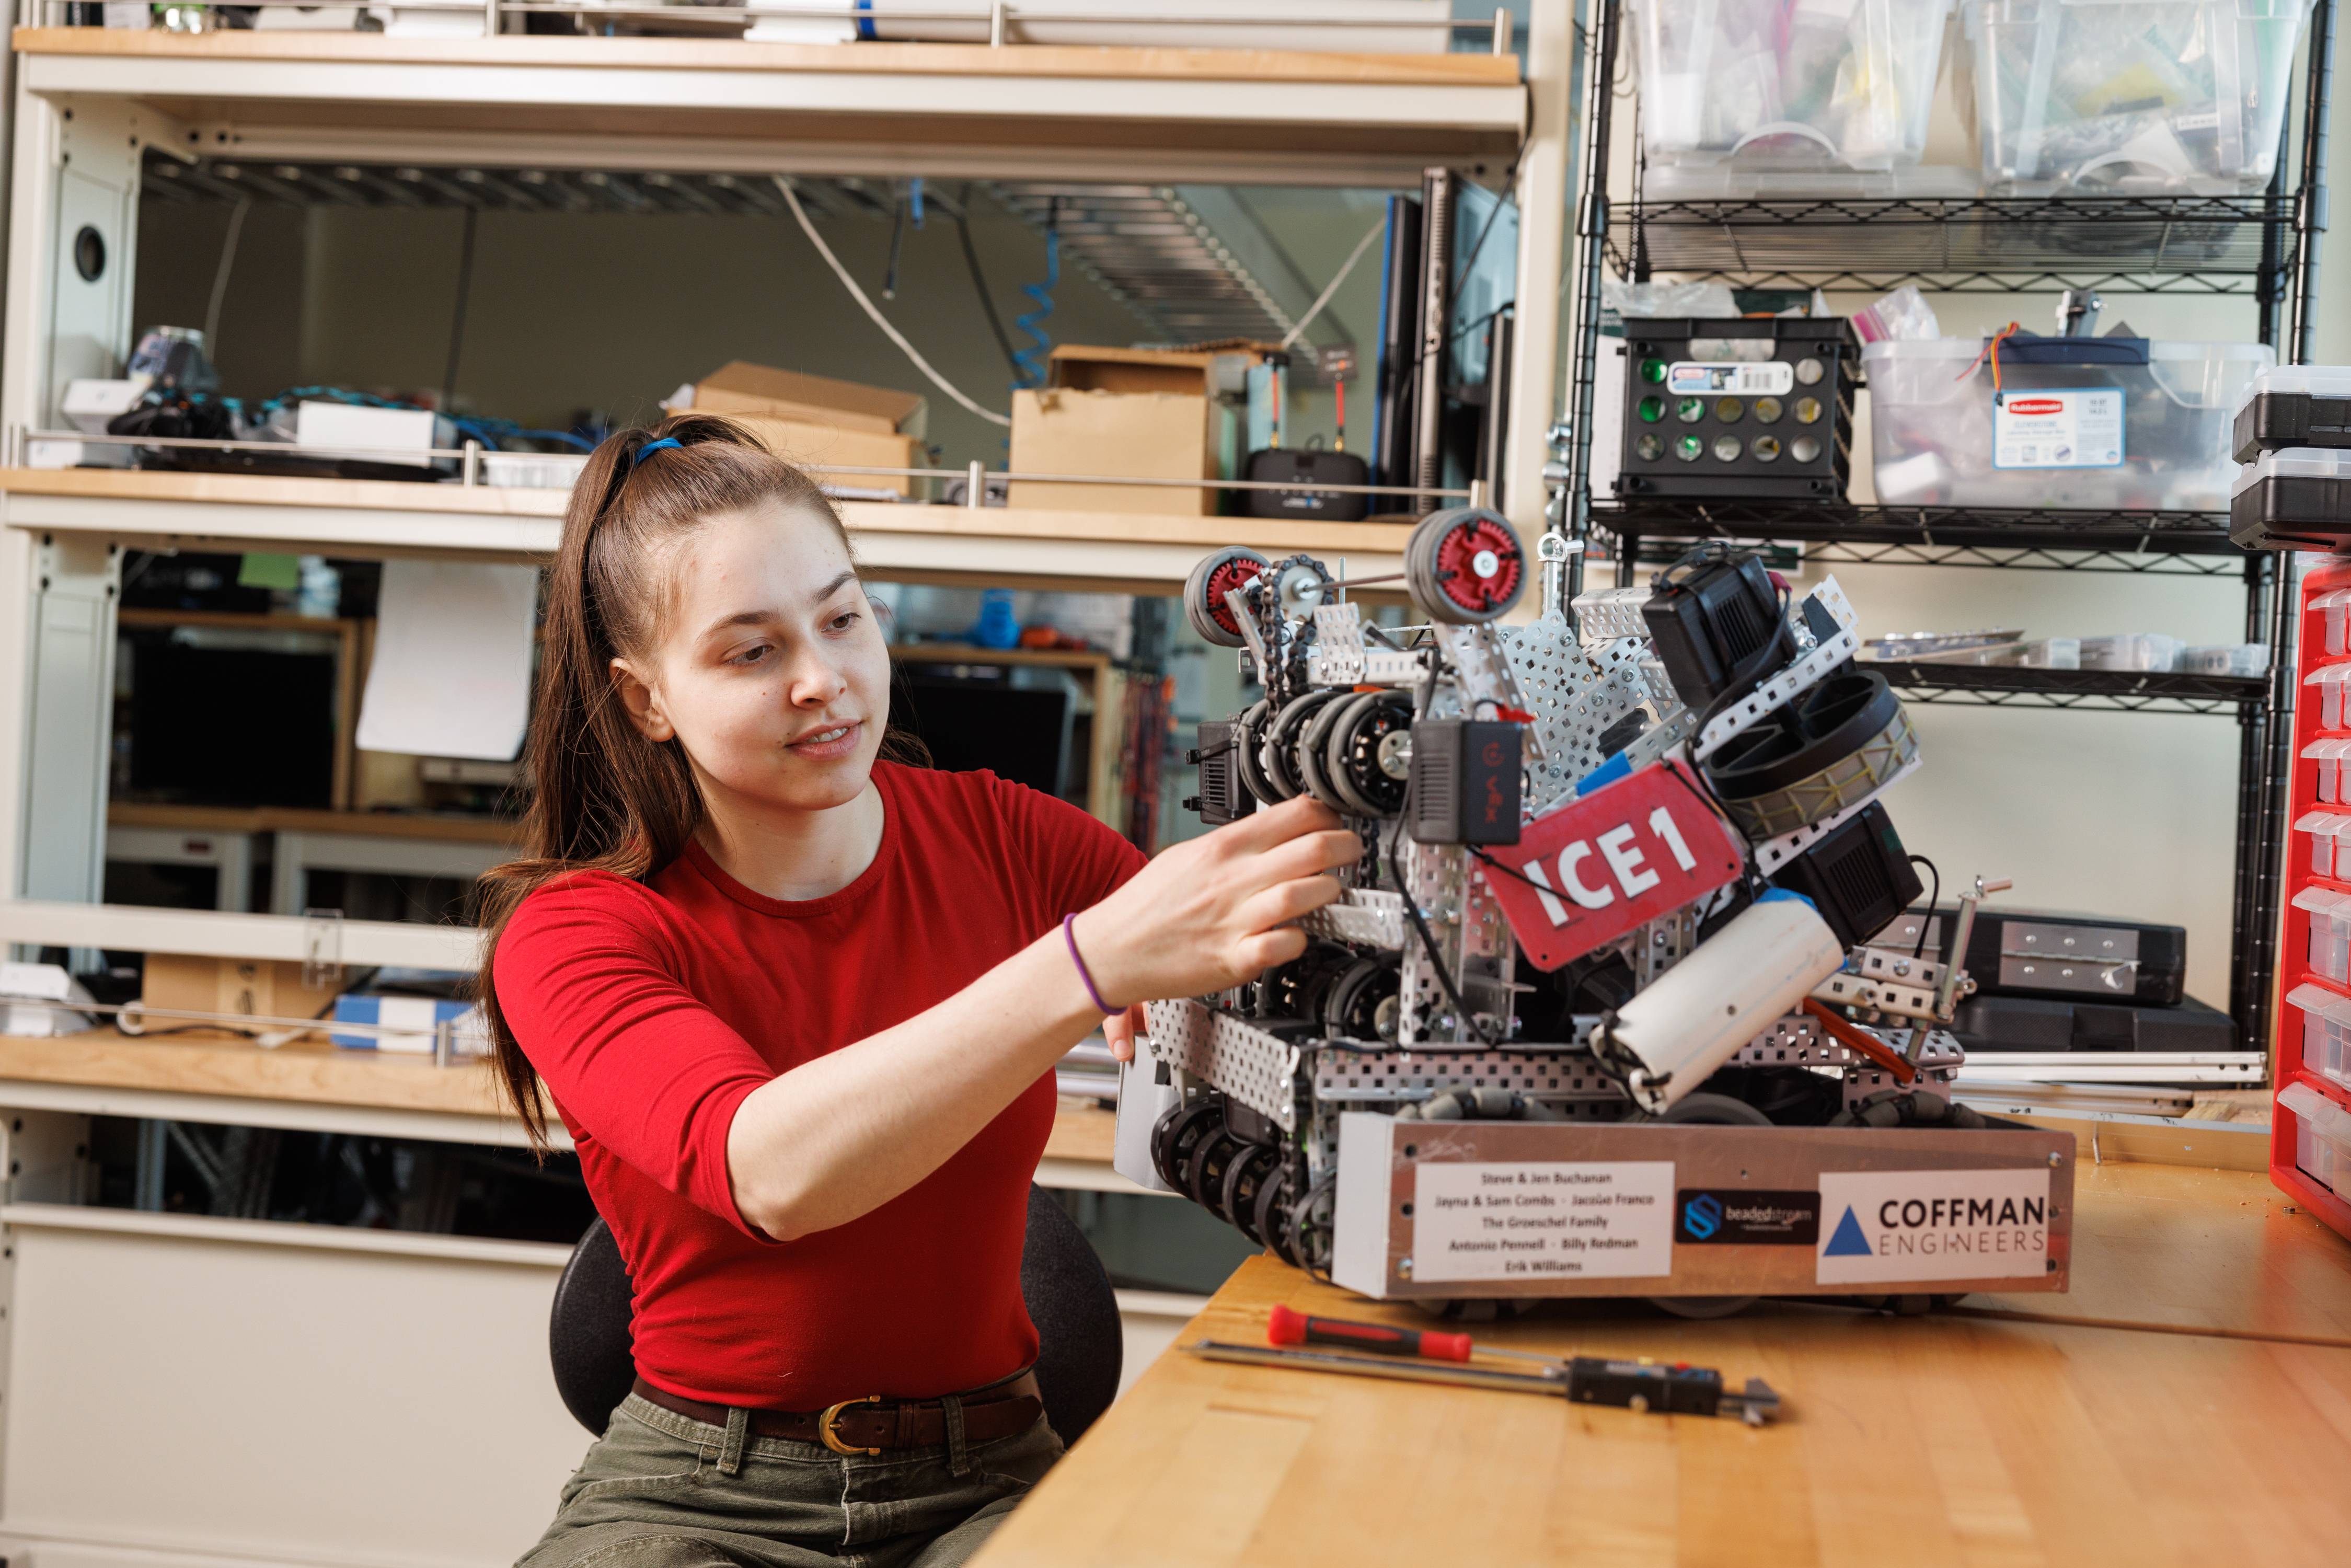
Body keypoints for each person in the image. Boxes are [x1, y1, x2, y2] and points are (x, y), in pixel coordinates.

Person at [477, 413, 1354, 1568]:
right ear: (644, 698)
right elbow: (772, 1170)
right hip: (696, 1497)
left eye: (843, 617)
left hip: (989, 1477)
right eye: (751, 652)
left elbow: (1247, 951)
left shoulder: (1002, 838)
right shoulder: (575, 932)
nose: (822, 680)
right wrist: (1087, 964)